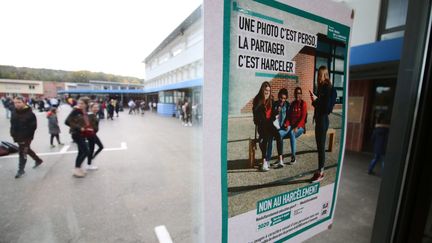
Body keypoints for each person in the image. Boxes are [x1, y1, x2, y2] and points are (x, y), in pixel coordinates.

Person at [309, 66, 333, 182]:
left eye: (320, 75)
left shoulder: (327, 88)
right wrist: (314, 101)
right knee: (319, 147)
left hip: (323, 120)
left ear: (325, 75)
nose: (318, 77)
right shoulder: (321, 87)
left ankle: (321, 172)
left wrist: (316, 100)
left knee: (321, 147)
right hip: (319, 120)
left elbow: (326, 108)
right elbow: (319, 106)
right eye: (318, 75)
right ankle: (319, 170)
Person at [10, 96, 43, 178]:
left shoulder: (30, 114)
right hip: (17, 136)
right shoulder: (14, 112)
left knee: (22, 152)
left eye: (19, 102)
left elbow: (33, 127)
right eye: (15, 103)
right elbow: (12, 124)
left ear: (24, 102)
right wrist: (12, 133)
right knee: (26, 149)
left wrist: (26, 136)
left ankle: (21, 170)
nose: (17, 104)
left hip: (26, 137)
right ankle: (38, 160)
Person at [252, 81, 283, 171]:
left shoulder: (271, 100)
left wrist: (277, 111)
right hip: (261, 125)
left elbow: (272, 115)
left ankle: (280, 159)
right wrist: (261, 105)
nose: (267, 92)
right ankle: (264, 162)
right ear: (262, 90)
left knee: (278, 135)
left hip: (269, 123)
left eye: (269, 91)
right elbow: (256, 116)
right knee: (265, 137)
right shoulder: (257, 100)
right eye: (266, 90)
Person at [65, 97, 94, 178]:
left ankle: (78, 168)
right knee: (86, 151)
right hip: (76, 133)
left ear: (86, 104)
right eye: (79, 103)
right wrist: (79, 127)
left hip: (82, 134)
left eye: (82, 103)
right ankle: (77, 168)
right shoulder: (76, 110)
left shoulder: (83, 111)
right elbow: (67, 121)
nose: (80, 105)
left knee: (81, 152)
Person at [283, 87, 307, 164]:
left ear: (301, 94)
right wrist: (286, 124)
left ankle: (293, 156)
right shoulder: (292, 104)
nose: (297, 95)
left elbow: (303, 118)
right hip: (292, 126)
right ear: (294, 94)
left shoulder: (303, 104)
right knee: (280, 133)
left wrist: (297, 127)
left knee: (292, 133)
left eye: (299, 93)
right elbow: (288, 117)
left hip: (300, 127)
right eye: (296, 93)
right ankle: (280, 157)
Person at [266, 88, 290, 168]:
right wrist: (276, 111)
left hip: (283, 127)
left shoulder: (287, 105)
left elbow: (289, 117)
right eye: (281, 98)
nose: (282, 100)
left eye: (284, 98)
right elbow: (271, 117)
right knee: (270, 137)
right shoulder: (275, 104)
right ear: (278, 97)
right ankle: (268, 160)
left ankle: (280, 160)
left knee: (279, 135)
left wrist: (286, 124)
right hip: (275, 127)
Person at [86, 103, 104, 171]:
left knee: (99, 147)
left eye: (97, 107)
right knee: (93, 149)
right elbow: (88, 126)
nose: (96, 109)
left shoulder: (93, 115)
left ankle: (90, 160)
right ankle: (89, 164)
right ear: (90, 108)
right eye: (94, 107)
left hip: (93, 134)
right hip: (91, 134)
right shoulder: (90, 115)